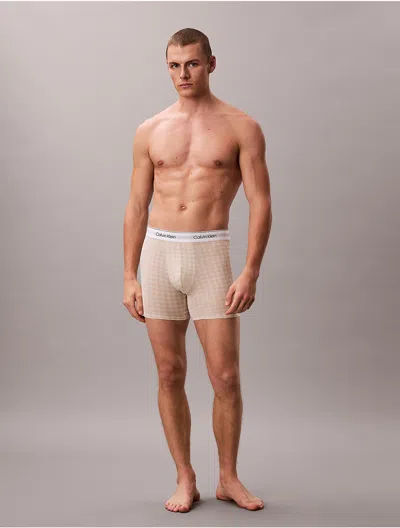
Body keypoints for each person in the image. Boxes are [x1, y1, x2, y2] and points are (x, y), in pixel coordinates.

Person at [123, 28, 272, 513]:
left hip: (210, 255)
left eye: (191, 63)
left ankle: (228, 477)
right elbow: (136, 206)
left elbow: (260, 202)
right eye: (174, 65)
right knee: (169, 372)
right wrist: (129, 275)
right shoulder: (150, 130)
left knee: (225, 375)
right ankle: (185, 477)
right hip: (159, 256)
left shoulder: (242, 127)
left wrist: (250, 270)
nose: (183, 74)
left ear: (211, 63)